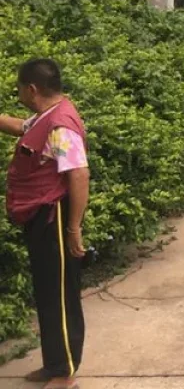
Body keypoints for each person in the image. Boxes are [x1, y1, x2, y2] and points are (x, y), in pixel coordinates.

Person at [0, 59, 89, 389]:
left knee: (60, 295)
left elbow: (79, 174)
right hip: (40, 217)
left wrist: (74, 228)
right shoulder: (44, 117)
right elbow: (20, 127)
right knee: (46, 292)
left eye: (20, 88)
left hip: (56, 217)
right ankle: (54, 363)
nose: (19, 93)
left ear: (32, 89)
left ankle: (64, 373)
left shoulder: (60, 126)